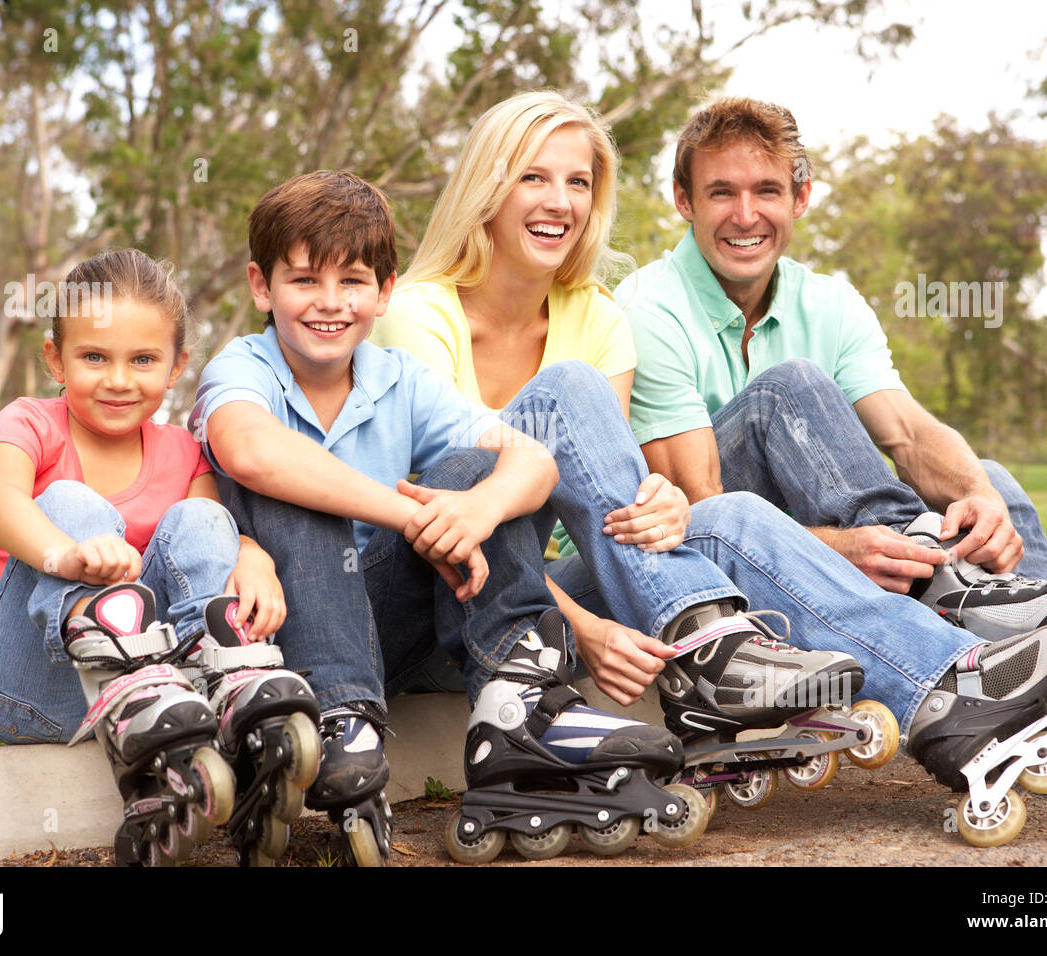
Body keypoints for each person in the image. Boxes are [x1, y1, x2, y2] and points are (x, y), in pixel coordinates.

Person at [374, 90, 1047, 846]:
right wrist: (594, 621)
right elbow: (439, 517)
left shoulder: (594, 316)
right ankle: (950, 673)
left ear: (800, 197)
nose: (560, 201)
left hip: (610, 579)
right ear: (487, 186)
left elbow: (619, 492)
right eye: (532, 177)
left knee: (987, 482)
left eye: (578, 182)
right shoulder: (424, 314)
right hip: (477, 605)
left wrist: (667, 509)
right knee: (736, 478)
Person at [189, 170, 713, 865]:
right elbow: (249, 452)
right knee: (299, 482)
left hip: (381, 627)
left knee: (473, 470)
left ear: (384, 292)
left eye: (351, 282)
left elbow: (533, 458)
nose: (329, 303)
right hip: (281, 639)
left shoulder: (400, 379)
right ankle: (341, 721)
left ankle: (513, 706)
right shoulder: (243, 368)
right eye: (304, 281)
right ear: (263, 287)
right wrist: (410, 518)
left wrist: (476, 507)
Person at [614, 95, 1047, 638]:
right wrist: (837, 549)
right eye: (722, 193)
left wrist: (982, 498)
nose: (745, 215)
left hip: (782, 524)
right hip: (668, 556)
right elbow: (703, 508)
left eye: (767, 190)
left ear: (800, 197)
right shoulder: (648, 307)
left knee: (983, 483)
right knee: (788, 388)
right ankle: (947, 584)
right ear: (684, 200)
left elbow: (907, 432)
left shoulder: (830, 302)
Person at [0, 249, 303, 865]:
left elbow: (207, 534)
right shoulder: (29, 423)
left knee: (203, 517)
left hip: (159, 686)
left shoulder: (181, 451)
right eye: (94, 357)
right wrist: (68, 553)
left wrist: (253, 555)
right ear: (55, 358)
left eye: (143, 359)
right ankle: (143, 707)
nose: (119, 379)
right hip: (23, 685)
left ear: (176, 367)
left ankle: (226, 688)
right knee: (69, 500)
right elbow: (0, 500)